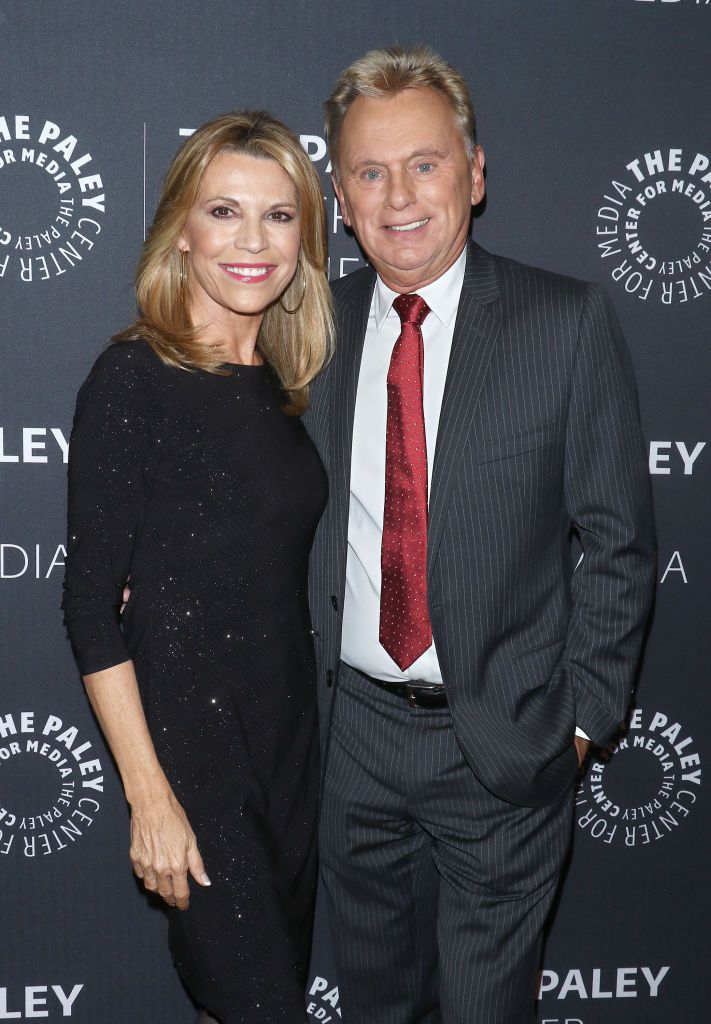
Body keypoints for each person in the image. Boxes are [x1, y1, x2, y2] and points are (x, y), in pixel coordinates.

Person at [304, 47, 655, 1023]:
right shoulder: (310, 331)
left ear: (476, 172)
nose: (400, 195)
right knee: (377, 1004)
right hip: (352, 742)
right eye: (370, 172)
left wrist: (581, 725)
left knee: (485, 1008)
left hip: (504, 743)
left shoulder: (564, 324)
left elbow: (620, 544)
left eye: (425, 163)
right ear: (340, 195)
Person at [62, 111, 333, 1024]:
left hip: (293, 751)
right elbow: (91, 608)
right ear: (182, 227)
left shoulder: (285, 390)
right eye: (225, 212)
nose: (253, 242)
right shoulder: (134, 379)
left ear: (307, 233)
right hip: (194, 761)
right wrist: (150, 799)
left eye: (280, 215)